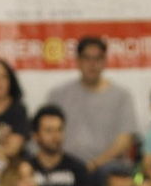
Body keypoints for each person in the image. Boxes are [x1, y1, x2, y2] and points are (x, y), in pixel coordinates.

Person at [47, 37, 142, 173]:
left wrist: (95, 164)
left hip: (107, 166)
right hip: (66, 166)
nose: (92, 64)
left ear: (104, 62)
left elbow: (125, 140)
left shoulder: (122, 96)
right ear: (78, 61)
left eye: (97, 59)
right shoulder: (58, 95)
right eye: (87, 59)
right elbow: (46, 131)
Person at [28, 104, 96, 186]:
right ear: (35, 135)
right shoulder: (26, 168)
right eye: (48, 130)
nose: (55, 136)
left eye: (59, 130)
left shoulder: (77, 168)